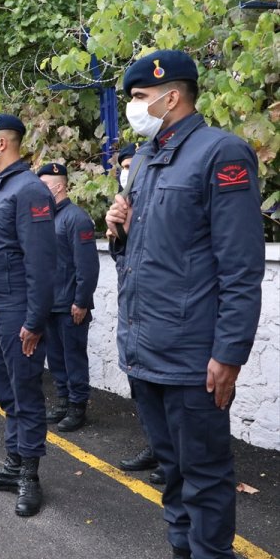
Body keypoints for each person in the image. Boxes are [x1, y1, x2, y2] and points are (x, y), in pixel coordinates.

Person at [105, 50, 263, 559]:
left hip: (195, 354)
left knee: (206, 473)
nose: (132, 107)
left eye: (139, 98)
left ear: (171, 97)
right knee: (170, 469)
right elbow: (149, 255)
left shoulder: (222, 154)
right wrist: (120, 230)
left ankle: (213, 558)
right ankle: (182, 553)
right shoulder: (148, 158)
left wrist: (230, 353)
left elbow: (240, 267)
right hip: (146, 345)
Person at [0, 114, 56, 518]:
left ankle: (30, 476)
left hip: (16, 310)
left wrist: (34, 321)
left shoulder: (29, 190)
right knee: (6, 393)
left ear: (1, 144)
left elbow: (41, 261)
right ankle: (13, 463)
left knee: (25, 393)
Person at [112, 142, 165, 486]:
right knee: (140, 388)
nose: (128, 171)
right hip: (131, 312)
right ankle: (155, 446)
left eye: (133, 164)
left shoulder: (157, 205)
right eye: (124, 166)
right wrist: (119, 233)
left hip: (157, 314)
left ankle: (169, 456)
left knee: (163, 393)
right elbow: (125, 259)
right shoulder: (123, 205)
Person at [37, 163, 100, 432]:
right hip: (51, 303)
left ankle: (77, 406)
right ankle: (63, 400)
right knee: (56, 357)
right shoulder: (45, 217)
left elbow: (87, 265)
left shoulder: (76, 218)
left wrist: (81, 301)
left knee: (73, 357)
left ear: (59, 186)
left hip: (70, 304)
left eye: (43, 186)